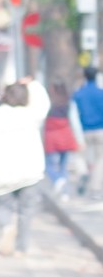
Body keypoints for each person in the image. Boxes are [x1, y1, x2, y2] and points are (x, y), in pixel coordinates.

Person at [0, 78, 50, 255]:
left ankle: (6, 226)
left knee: (1, 207)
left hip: (3, 171)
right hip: (30, 171)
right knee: (26, 211)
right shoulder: (30, 114)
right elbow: (44, 103)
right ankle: (21, 248)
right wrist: (33, 83)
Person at [43, 80, 81, 196]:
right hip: (65, 137)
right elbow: (74, 122)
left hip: (52, 139)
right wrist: (79, 139)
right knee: (64, 166)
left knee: (49, 165)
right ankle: (65, 192)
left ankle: (57, 180)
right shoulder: (68, 103)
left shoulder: (48, 104)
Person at [76, 68, 103, 196]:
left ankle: (84, 173)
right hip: (100, 130)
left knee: (82, 156)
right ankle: (95, 187)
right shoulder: (100, 93)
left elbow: (74, 114)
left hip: (84, 131)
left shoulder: (79, 94)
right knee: (100, 159)